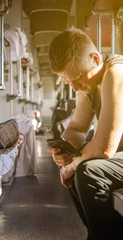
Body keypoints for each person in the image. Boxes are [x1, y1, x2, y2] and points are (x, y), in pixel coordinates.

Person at [48, 27, 123, 240]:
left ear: (95, 58)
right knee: (73, 169)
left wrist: (74, 163)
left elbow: (105, 148)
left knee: (88, 171)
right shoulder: (88, 84)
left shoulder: (116, 73)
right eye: (67, 81)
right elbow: (78, 127)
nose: (74, 87)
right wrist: (63, 150)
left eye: (78, 78)